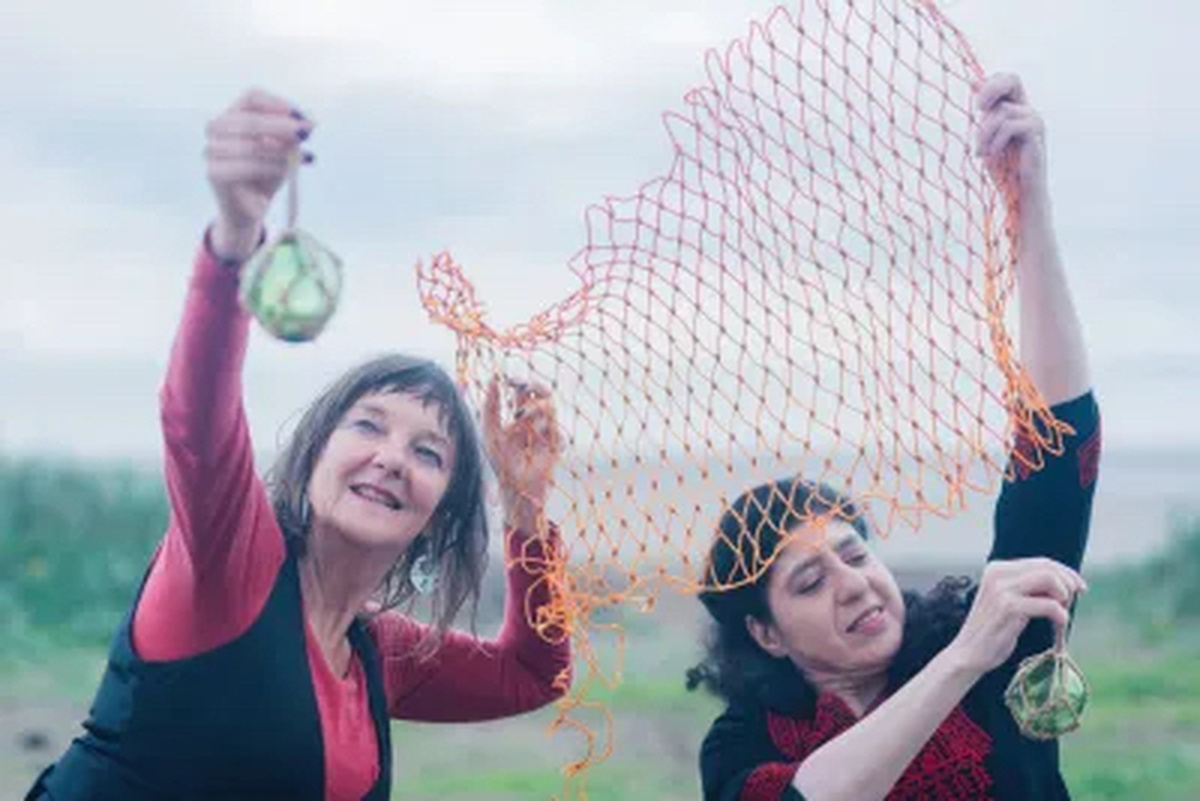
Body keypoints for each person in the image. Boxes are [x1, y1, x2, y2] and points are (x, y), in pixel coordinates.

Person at [28, 89, 571, 800]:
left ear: (439, 513)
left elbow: (535, 673)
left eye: (428, 453)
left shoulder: (380, 651)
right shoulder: (234, 571)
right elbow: (196, 422)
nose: (391, 457)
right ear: (317, 452)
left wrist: (527, 507)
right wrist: (234, 237)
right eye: (368, 424)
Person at [687, 73, 1101, 800]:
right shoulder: (742, 743)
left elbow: (1059, 441)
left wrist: (1028, 208)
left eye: (853, 553)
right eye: (810, 581)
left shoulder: (996, 640)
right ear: (766, 634)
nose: (854, 583)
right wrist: (966, 658)